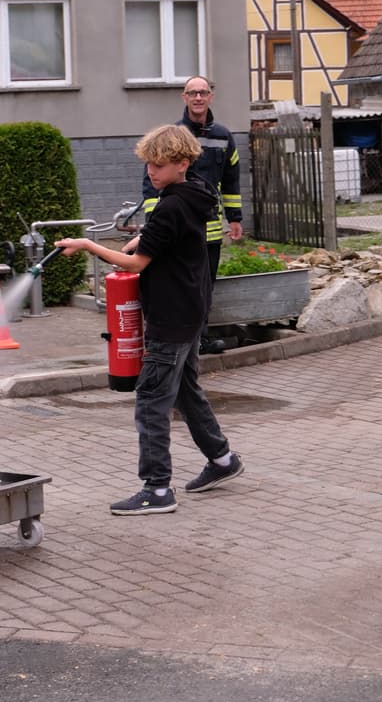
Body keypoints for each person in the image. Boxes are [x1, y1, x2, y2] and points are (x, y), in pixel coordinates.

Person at [56, 123, 243, 516]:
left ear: (183, 163)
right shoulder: (198, 193)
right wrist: (145, 235)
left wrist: (89, 244)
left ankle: (157, 489)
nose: (152, 173)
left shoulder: (171, 205)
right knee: (185, 391)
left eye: (159, 165)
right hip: (191, 313)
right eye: (148, 166)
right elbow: (170, 237)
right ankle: (223, 459)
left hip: (170, 319)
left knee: (151, 400)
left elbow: (136, 263)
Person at [141, 75, 243, 354]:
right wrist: (155, 224)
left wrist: (235, 217)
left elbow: (231, 181)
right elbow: (151, 184)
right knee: (178, 286)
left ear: (211, 96)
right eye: (192, 93)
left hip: (209, 231)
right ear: (183, 97)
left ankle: (200, 339)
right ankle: (177, 340)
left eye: (203, 92)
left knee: (204, 288)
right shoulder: (170, 136)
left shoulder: (224, 137)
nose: (198, 98)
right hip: (176, 230)